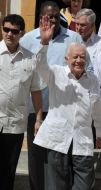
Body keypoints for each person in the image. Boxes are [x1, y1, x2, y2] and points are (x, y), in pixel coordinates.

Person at [20, 1, 90, 190]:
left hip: (63, 110)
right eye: (46, 16)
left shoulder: (73, 37)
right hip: (36, 109)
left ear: (59, 16)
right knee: (36, 159)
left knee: (61, 162)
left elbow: (86, 68)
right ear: (40, 17)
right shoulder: (28, 38)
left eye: (54, 15)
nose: (50, 19)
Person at [33, 15, 101, 190]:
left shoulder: (93, 81)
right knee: (56, 186)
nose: (79, 60)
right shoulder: (56, 73)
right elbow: (39, 66)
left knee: (84, 186)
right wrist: (44, 43)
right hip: (59, 140)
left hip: (83, 142)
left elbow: (97, 108)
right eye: (75, 57)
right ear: (67, 59)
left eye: (82, 57)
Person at [0, 14, 44, 190]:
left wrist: (39, 119)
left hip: (15, 124)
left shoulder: (30, 58)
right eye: (6, 29)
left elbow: (36, 91)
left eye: (14, 31)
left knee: (8, 171)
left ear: (22, 33)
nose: (9, 34)